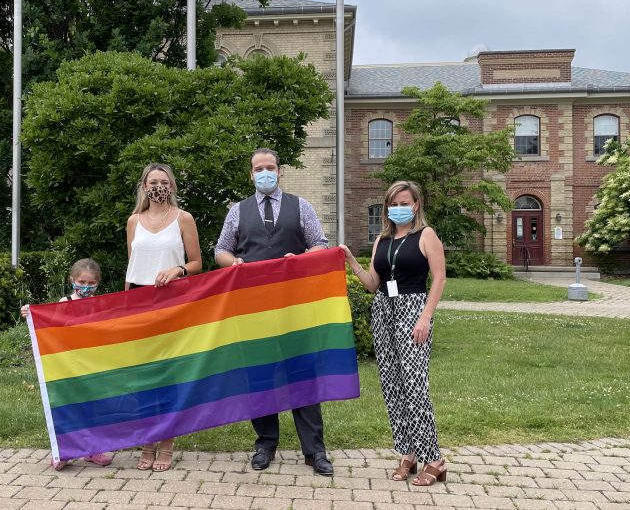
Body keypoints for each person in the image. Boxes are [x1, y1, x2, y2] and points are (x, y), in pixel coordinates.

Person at [214, 147, 333, 476]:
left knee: (302, 376)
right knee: (261, 377)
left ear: (280, 172)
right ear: (251, 174)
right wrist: (233, 262)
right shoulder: (238, 211)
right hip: (254, 308)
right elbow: (221, 249)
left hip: (295, 306)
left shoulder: (301, 206)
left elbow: (320, 244)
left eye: (270, 167)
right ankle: (265, 444)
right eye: (258, 168)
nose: (264, 172)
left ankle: (314, 450)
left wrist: (303, 259)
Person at [340, 180, 447, 486]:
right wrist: (350, 260)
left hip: (413, 310)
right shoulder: (381, 240)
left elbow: (439, 279)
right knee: (392, 386)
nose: (399, 208)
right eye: (394, 203)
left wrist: (425, 317)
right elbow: (374, 283)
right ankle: (407, 454)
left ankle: (435, 459)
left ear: (416, 205)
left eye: (405, 203)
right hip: (383, 311)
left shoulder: (426, 235)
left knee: (415, 386)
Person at [125, 162, 203, 472]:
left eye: (164, 181)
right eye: (153, 181)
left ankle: (167, 442)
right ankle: (148, 441)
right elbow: (131, 267)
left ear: (172, 186)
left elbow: (197, 261)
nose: (159, 185)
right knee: (146, 377)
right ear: (144, 186)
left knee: (169, 376)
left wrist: (178, 269)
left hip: (172, 302)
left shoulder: (184, 219)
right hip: (140, 303)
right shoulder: (133, 221)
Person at [21, 258, 114, 472]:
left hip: (93, 366)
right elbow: (49, 326)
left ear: (98, 283)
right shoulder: (64, 303)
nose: (86, 287)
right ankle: (65, 451)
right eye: (81, 281)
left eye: (91, 284)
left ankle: (93, 450)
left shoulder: (101, 305)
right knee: (69, 407)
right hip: (68, 366)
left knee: (93, 408)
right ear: (72, 279)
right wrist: (31, 314)